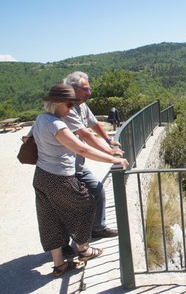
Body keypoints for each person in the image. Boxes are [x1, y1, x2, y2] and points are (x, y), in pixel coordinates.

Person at [31, 84, 129, 277]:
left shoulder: (41, 119)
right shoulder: (57, 125)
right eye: (69, 104)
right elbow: (82, 149)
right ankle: (84, 250)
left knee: (50, 218)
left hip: (41, 176)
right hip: (60, 177)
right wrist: (113, 158)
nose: (71, 109)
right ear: (58, 104)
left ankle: (59, 265)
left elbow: (29, 138)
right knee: (85, 206)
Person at [61, 71, 123, 257]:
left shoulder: (82, 106)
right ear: (73, 89)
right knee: (64, 204)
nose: (89, 92)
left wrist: (109, 140)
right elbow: (86, 137)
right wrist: (110, 153)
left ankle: (97, 228)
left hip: (76, 164)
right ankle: (63, 245)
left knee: (97, 189)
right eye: (86, 89)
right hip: (62, 165)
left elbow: (94, 124)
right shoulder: (67, 109)